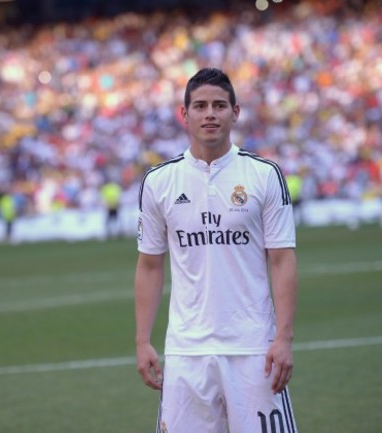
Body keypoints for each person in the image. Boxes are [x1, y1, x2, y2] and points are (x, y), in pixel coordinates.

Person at [134, 68, 298, 433]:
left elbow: (283, 259)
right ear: (185, 114)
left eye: (220, 105)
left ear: (235, 113)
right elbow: (148, 266)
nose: (210, 113)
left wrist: (283, 338)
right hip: (186, 351)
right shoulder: (159, 181)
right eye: (201, 106)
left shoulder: (264, 175)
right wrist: (143, 340)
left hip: (254, 349)